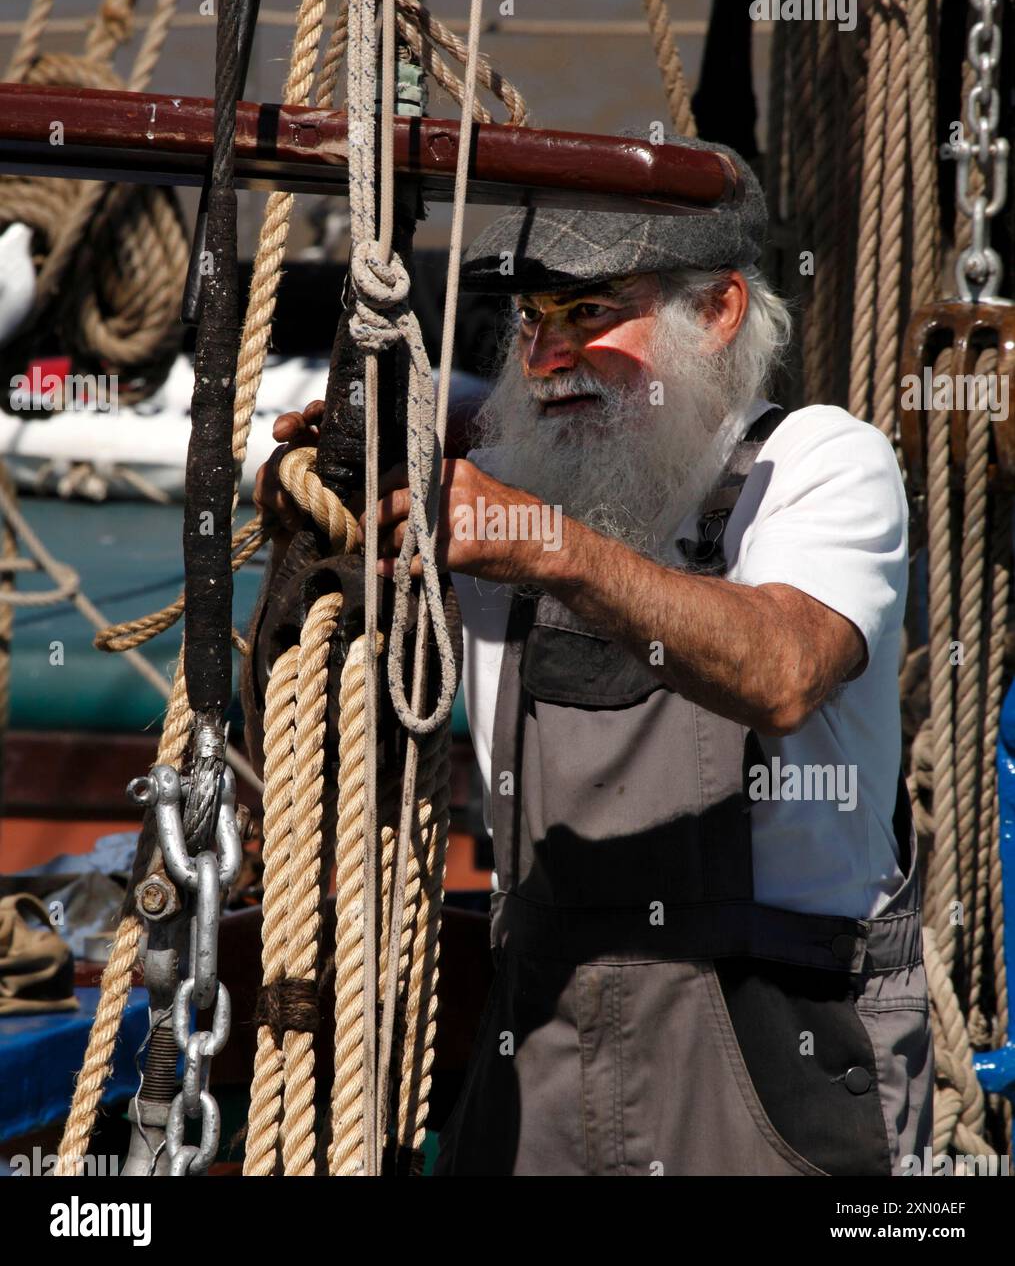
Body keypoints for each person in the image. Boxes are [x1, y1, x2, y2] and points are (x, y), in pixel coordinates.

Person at [254, 134, 931, 1177]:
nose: (548, 358)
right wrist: (335, 493)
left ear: (717, 312)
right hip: (544, 1059)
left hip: (776, 1072)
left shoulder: (817, 466)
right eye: (531, 321)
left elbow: (782, 669)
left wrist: (542, 544)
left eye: (589, 314)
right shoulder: (495, 487)